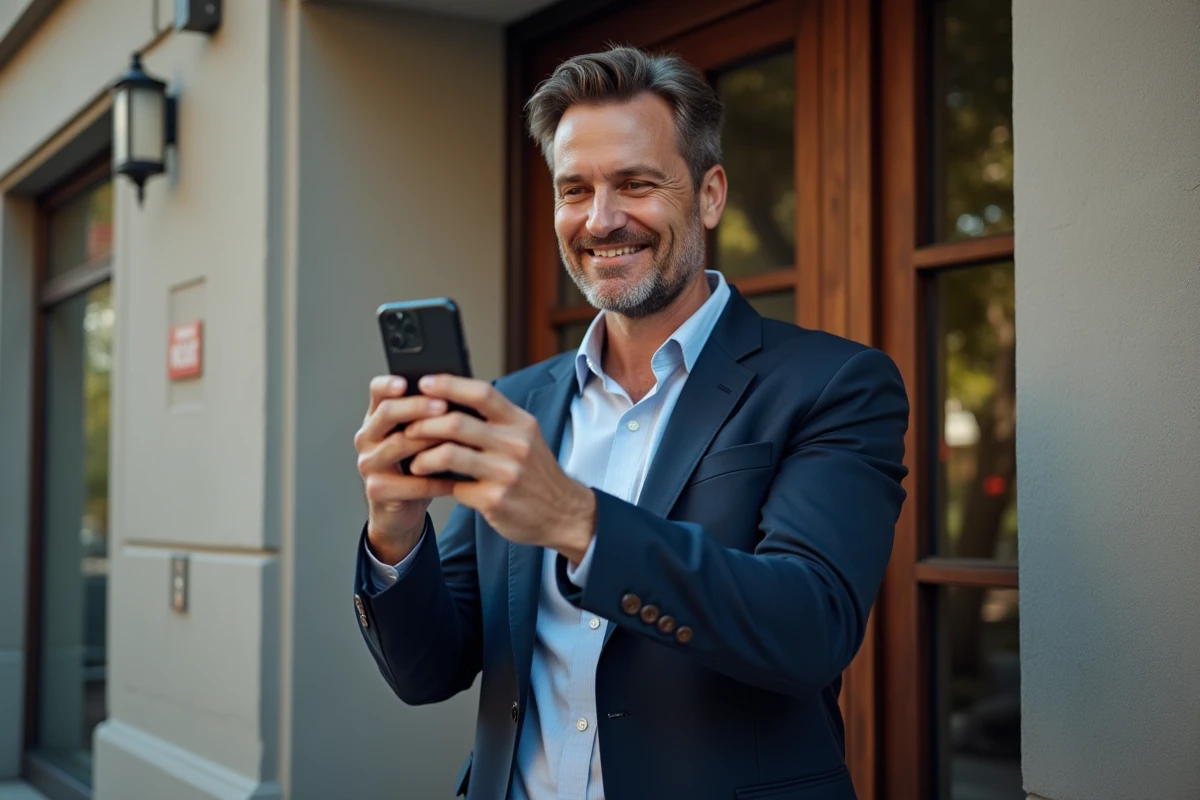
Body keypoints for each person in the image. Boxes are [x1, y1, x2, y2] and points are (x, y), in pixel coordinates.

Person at [351, 46, 908, 800]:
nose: (601, 219)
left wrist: (579, 521)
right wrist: (395, 531)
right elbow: (428, 671)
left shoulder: (835, 383)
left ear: (709, 195)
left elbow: (810, 629)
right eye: (573, 189)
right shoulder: (515, 405)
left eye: (636, 184)